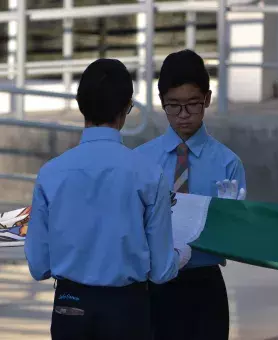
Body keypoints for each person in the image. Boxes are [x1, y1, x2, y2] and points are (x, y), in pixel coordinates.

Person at [24, 58, 191, 340]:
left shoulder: (50, 174)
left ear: (80, 105)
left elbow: (39, 265)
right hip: (127, 310)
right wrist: (181, 255)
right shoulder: (148, 174)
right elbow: (162, 270)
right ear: (127, 108)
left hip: (69, 305)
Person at [134, 49, 246, 340]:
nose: (183, 115)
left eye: (193, 105)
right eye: (173, 106)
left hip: (204, 284)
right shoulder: (141, 160)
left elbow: (237, 240)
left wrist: (232, 220)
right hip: (154, 280)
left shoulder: (227, 163)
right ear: (161, 103)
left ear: (207, 99)